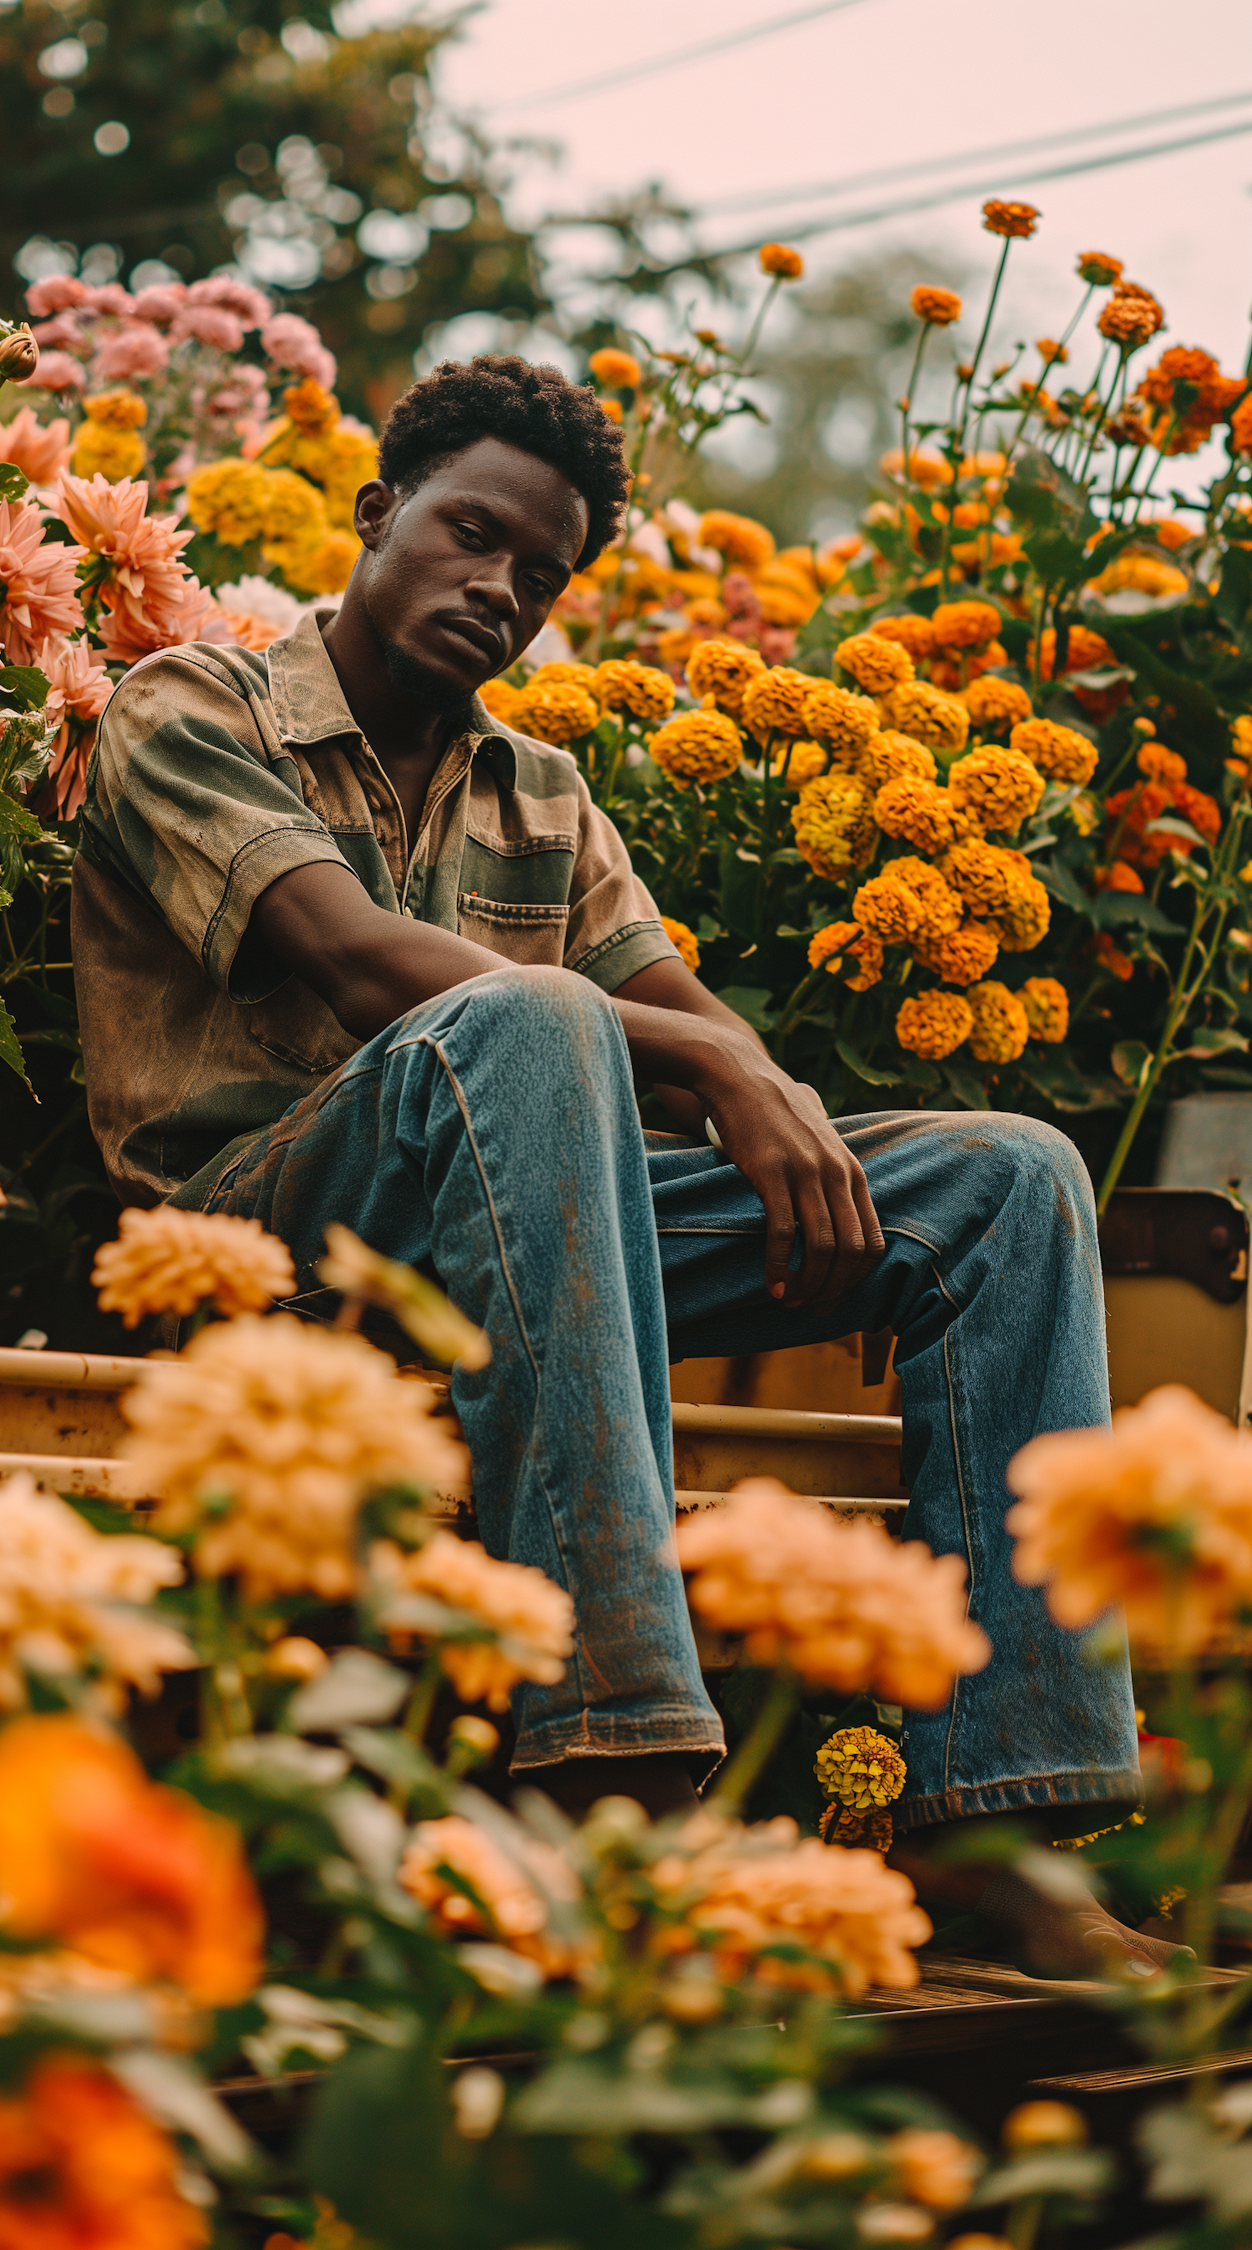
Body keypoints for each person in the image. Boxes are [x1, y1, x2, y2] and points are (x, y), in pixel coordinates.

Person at [73, 354, 1169, 1975]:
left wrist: (752, 1080)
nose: (500, 586)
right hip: (255, 1234)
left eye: (541, 571)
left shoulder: (544, 790)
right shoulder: (192, 707)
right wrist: (705, 1059)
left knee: (1008, 1177)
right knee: (529, 1019)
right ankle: (625, 1768)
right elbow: (361, 959)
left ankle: (998, 1823)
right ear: (379, 516)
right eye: (470, 533)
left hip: (516, 1225)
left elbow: (687, 1019)